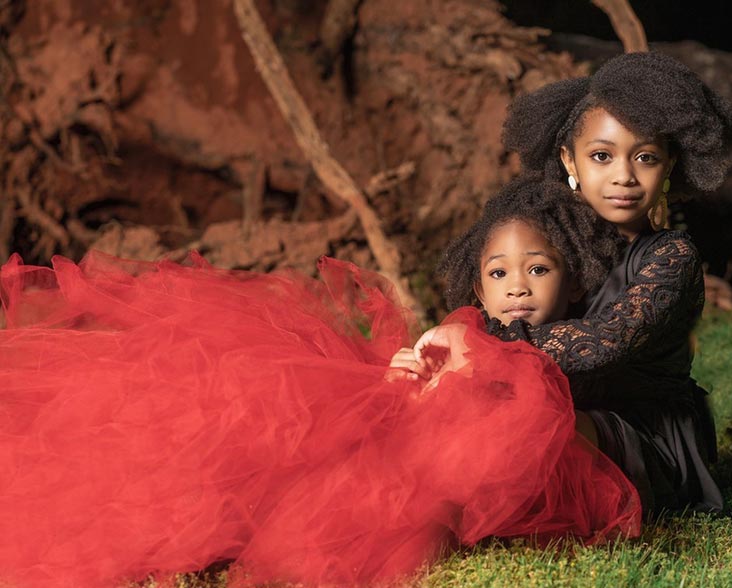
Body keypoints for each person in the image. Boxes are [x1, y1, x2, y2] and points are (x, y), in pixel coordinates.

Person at [0, 176, 639, 588]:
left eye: (538, 270)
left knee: (396, 493)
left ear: (571, 280)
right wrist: (410, 371)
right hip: (412, 426)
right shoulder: (465, 325)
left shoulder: (568, 345)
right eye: (500, 274)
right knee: (275, 410)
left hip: (451, 457)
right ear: (478, 286)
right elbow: (426, 366)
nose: (519, 287)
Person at [413, 51, 732, 516]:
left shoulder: (672, 256)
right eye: (602, 156)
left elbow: (603, 342)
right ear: (570, 158)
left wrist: (478, 345)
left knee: (519, 424)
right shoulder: (554, 244)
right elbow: (506, 299)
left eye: (645, 157)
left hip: (641, 435)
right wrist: (439, 361)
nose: (623, 176)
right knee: (432, 405)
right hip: (560, 409)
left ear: (670, 164)